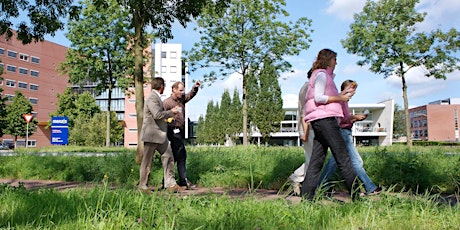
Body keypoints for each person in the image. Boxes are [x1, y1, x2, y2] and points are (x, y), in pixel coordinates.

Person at [300, 48, 359, 201]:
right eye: (334, 59)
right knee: (344, 159)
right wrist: (340, 97)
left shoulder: (322, 75)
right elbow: (319, 97)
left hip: (319, 121)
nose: (336, 62)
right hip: (326, 121)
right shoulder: (320, 75)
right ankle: (358, 198)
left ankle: (307, 199)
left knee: (316, 161)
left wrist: (344, 94)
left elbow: (324, 95)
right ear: (328, 59)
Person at [318, 80, 382, 196]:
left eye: (355, 90)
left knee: (334, 161)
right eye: (352, 89)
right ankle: (370, 188)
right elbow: (341, 120)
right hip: (343, 133)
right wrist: (355, 117)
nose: (354, 92)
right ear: (346, 88)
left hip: (344, 132)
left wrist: (355, 118)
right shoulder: (340, 101)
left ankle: (320, 186)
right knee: (356, 161)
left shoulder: (344, 102)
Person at [139, 77, 181, 193]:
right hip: (152, 135)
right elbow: (157, 115)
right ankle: (143, 187)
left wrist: (169, 117)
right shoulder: (152, 97)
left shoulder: (156, 97)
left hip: (160, 135)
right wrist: (171, 112)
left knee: (169, 156)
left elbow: (159, 116)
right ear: (162, 87)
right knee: (147, 162)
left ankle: (171, 184)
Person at [163, 81, 201, 189]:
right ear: (174, 90)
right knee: (180, 154)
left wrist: (195, 87)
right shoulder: (166, 103)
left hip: (180, 131)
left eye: (183, 90)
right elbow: (160, 116)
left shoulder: (182, 99)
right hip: (171, 132)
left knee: (177, 156)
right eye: (180, 90)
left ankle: (169, 181)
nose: (182, 92)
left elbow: (190, 94)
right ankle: (181, 181)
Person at [288, 69, 315, 196]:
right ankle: (296, 178)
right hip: (307, 128)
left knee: (314, 158)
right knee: (313, 158)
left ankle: (303, 182)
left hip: (307, 127)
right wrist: (305, 131)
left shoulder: (305, 87)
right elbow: (305, 112)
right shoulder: (308, 88)